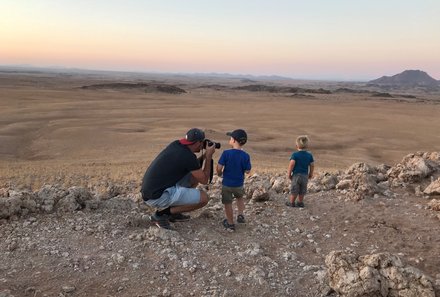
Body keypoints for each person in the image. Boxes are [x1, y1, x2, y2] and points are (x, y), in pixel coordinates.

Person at [140, 128, 216, 229]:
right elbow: (204, 180)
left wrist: (204, 156)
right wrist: (209, 156)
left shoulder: (176, 145)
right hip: (157, 196)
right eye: (202, 142)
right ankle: (161, 215)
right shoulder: (188, 156)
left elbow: (193, 167)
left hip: (150, 191)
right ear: (198, 143)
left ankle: (175, 212)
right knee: (204, 198)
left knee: (193, 177)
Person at [216, 129, 251, 231]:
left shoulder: (226, 153)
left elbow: (219, 167)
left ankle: (230, 223)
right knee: (239, 198)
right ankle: (240, 215)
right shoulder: (245, 155)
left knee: (228, 203)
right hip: (239, 184)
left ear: (234, 141)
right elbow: (248, 170)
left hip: (227, 184)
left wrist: (219, 173)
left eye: (231, 138)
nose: (230, 139)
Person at [286, 135, 314, 208]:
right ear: (307, 145)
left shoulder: (295, 155)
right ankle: (300, 202)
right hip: (305, 175)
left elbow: (292, 164)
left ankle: (292, 202)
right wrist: (310, 173)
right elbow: (312, 165)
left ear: (296, 145)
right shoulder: (309, 155)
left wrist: (289, 174)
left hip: (296, 175)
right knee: (302, 189)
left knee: (294, 189)